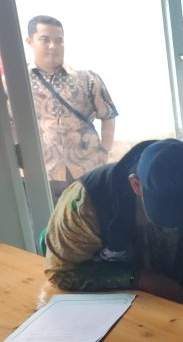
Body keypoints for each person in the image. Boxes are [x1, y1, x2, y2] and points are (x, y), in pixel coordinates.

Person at [45, 138, 183, 320]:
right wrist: (138, 278)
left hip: (182, 277)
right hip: (110, 295)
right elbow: (60, 272)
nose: (174, 228)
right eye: (167, 215)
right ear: (136, 186)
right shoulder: (89, 200)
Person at [26, 15, 117, 203]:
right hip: (43, 173)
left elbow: (108, 114)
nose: (53, 46)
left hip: (87, 168)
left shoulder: (86, 79)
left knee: (93, 222)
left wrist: (104, 151)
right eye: (45, 39)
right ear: (30, 41)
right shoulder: (16, 85)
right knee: (49, 226)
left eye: (59, 40)